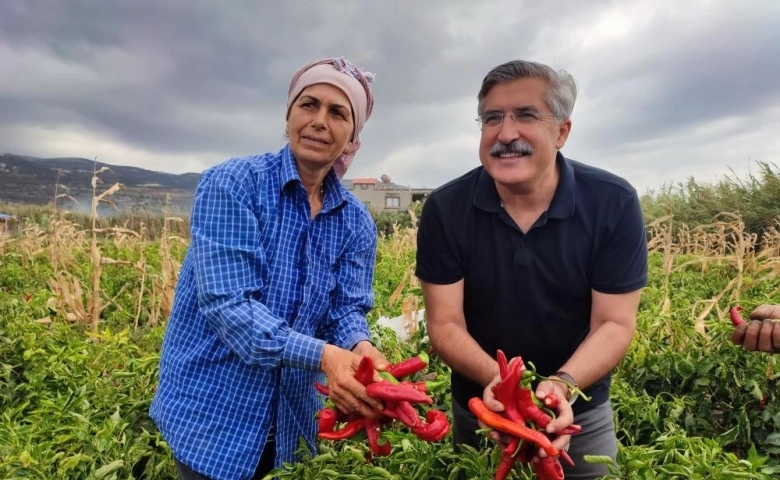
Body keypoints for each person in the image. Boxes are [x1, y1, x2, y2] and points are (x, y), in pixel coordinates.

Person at [150, 57, 388, 480]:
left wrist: (357, 347)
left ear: (353, 137)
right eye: (309, 105)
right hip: (214, 415)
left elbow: (346, 310)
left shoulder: (355, 221)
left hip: (292, 421)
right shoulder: (233, 184)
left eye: (338, 113)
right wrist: (324, 356)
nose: (319, 121)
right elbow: (230, 307)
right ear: (288, 114)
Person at [415, 60, 648, 479]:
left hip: (579, 411)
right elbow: (445, 322)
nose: (506, 134)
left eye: (525, 115)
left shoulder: (612, 202)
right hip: (483, 409)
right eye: (492, 118)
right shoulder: (446, 209)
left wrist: (560, 385)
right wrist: (500, 385)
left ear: (561, 131)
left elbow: (614, 323)